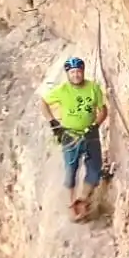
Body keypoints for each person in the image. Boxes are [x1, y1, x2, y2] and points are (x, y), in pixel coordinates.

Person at [41, 57, 109, 221]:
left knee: (94, 169)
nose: (76, 75)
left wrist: (95, 125)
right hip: (70, 135)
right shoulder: (62, 90)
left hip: (90, 134)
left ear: (83, 72)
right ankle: (71, 204)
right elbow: (43, 102)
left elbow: (103, 110)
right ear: (68, 74)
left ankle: (83, 200)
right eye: (72, 72)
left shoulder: (93, 88)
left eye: (78, 71)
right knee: (71, 169)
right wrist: (53, 123)